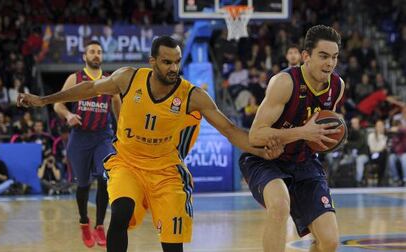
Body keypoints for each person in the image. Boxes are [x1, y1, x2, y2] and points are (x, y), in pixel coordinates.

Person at [17, 36, 283, 252]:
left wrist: (261, 149)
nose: (173, 68)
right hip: (127, 163)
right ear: (152, 61)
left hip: (166, 171)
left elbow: (230, 130)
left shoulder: (192, 95)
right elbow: (88, 89)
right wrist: (44, 100)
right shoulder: (128, 78)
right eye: (167, 62)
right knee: (120, 211)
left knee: (171, 242)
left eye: (177, 62)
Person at [239, 25, 345, 252]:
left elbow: (323, 127)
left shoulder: (337, 86)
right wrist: (302, 132)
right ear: (306, 56)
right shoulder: (285, 82)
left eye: (334, 57)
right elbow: (255, 135)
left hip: (304, 161)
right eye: (324, 56)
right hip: (266, 159)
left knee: (329, 242)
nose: (330, 63)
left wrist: (328, 137)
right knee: (279, 206)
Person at [52, 40, 121, 248]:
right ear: (85, 56)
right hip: (80, 137)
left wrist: (124, 130)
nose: (96, 55)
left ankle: (100, 226)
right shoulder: (75, 78)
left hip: (103, 136)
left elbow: (118, 105)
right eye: (92, 51)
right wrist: (68, 114)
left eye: (99, 52)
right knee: (82, 185)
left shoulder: (110, 81)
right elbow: (58, 104)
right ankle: (84, 221)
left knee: (104, 176)